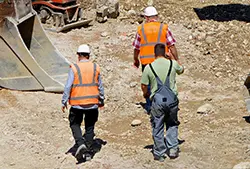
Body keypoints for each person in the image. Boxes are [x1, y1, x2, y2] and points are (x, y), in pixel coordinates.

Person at [141, 43, 184, 162]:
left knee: (157, 126)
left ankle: (159, 153)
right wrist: (173, 58)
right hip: (172, 100)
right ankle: (173, 149)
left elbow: (144, 85)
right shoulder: (172, 64)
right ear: (165, 52)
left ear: (154, 53)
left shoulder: (149, 67)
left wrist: (146, 94)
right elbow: (182, 70)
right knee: (172, 124)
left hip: (157, 101)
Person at [61, 44, 105, 161]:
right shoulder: (95, 67)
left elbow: (68, 86)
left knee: (74, 124)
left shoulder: (74, 68)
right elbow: (100, 86)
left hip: (77, 104)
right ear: (88, 55)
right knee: (90, 127)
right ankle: (88, 154)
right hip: (93, 103)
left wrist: (64, 101)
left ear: (78, 55)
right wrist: (102, 99)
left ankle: (81, 144)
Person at [133, 6, 179, 113]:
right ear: (157, 16)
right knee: (165, 82)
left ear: (146, 17)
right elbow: (171, 45)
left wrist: (135, 59)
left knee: (148, 83)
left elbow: (136, 47)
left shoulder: (141, 29)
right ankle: (167, 103)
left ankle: (150, 106)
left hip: (147, 62)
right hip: (163, 61)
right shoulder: (164, 28)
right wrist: (176, 59)